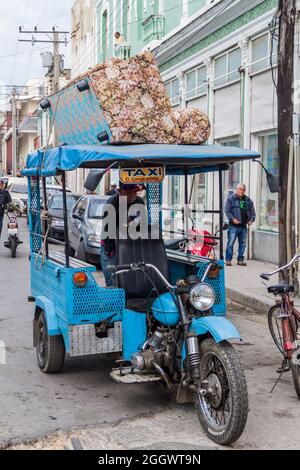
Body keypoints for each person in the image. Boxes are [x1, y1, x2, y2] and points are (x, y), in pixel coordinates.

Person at [100, 183, 146, 286]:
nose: (132, 196)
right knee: (113, 280)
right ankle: (113, 300)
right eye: (128, 193)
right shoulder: (111, 205)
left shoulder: (139, 202)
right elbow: (110, 232)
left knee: (131, 280)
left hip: (129, 245)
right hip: (111, 247)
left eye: (134, 192)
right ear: (120, 192)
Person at [225, 183, 255, 266]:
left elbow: (253, 212)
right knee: (230, 243)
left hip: (243, 226)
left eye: (243, 189)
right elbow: (227, 211)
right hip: (233, 226)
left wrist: (251, 220)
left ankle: (240, 260)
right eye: (240, 189)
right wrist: (233, 219)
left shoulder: (248, 200)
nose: (242, 191)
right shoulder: (231, 199)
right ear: (237, 189)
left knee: (243, 244)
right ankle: (228, 259)